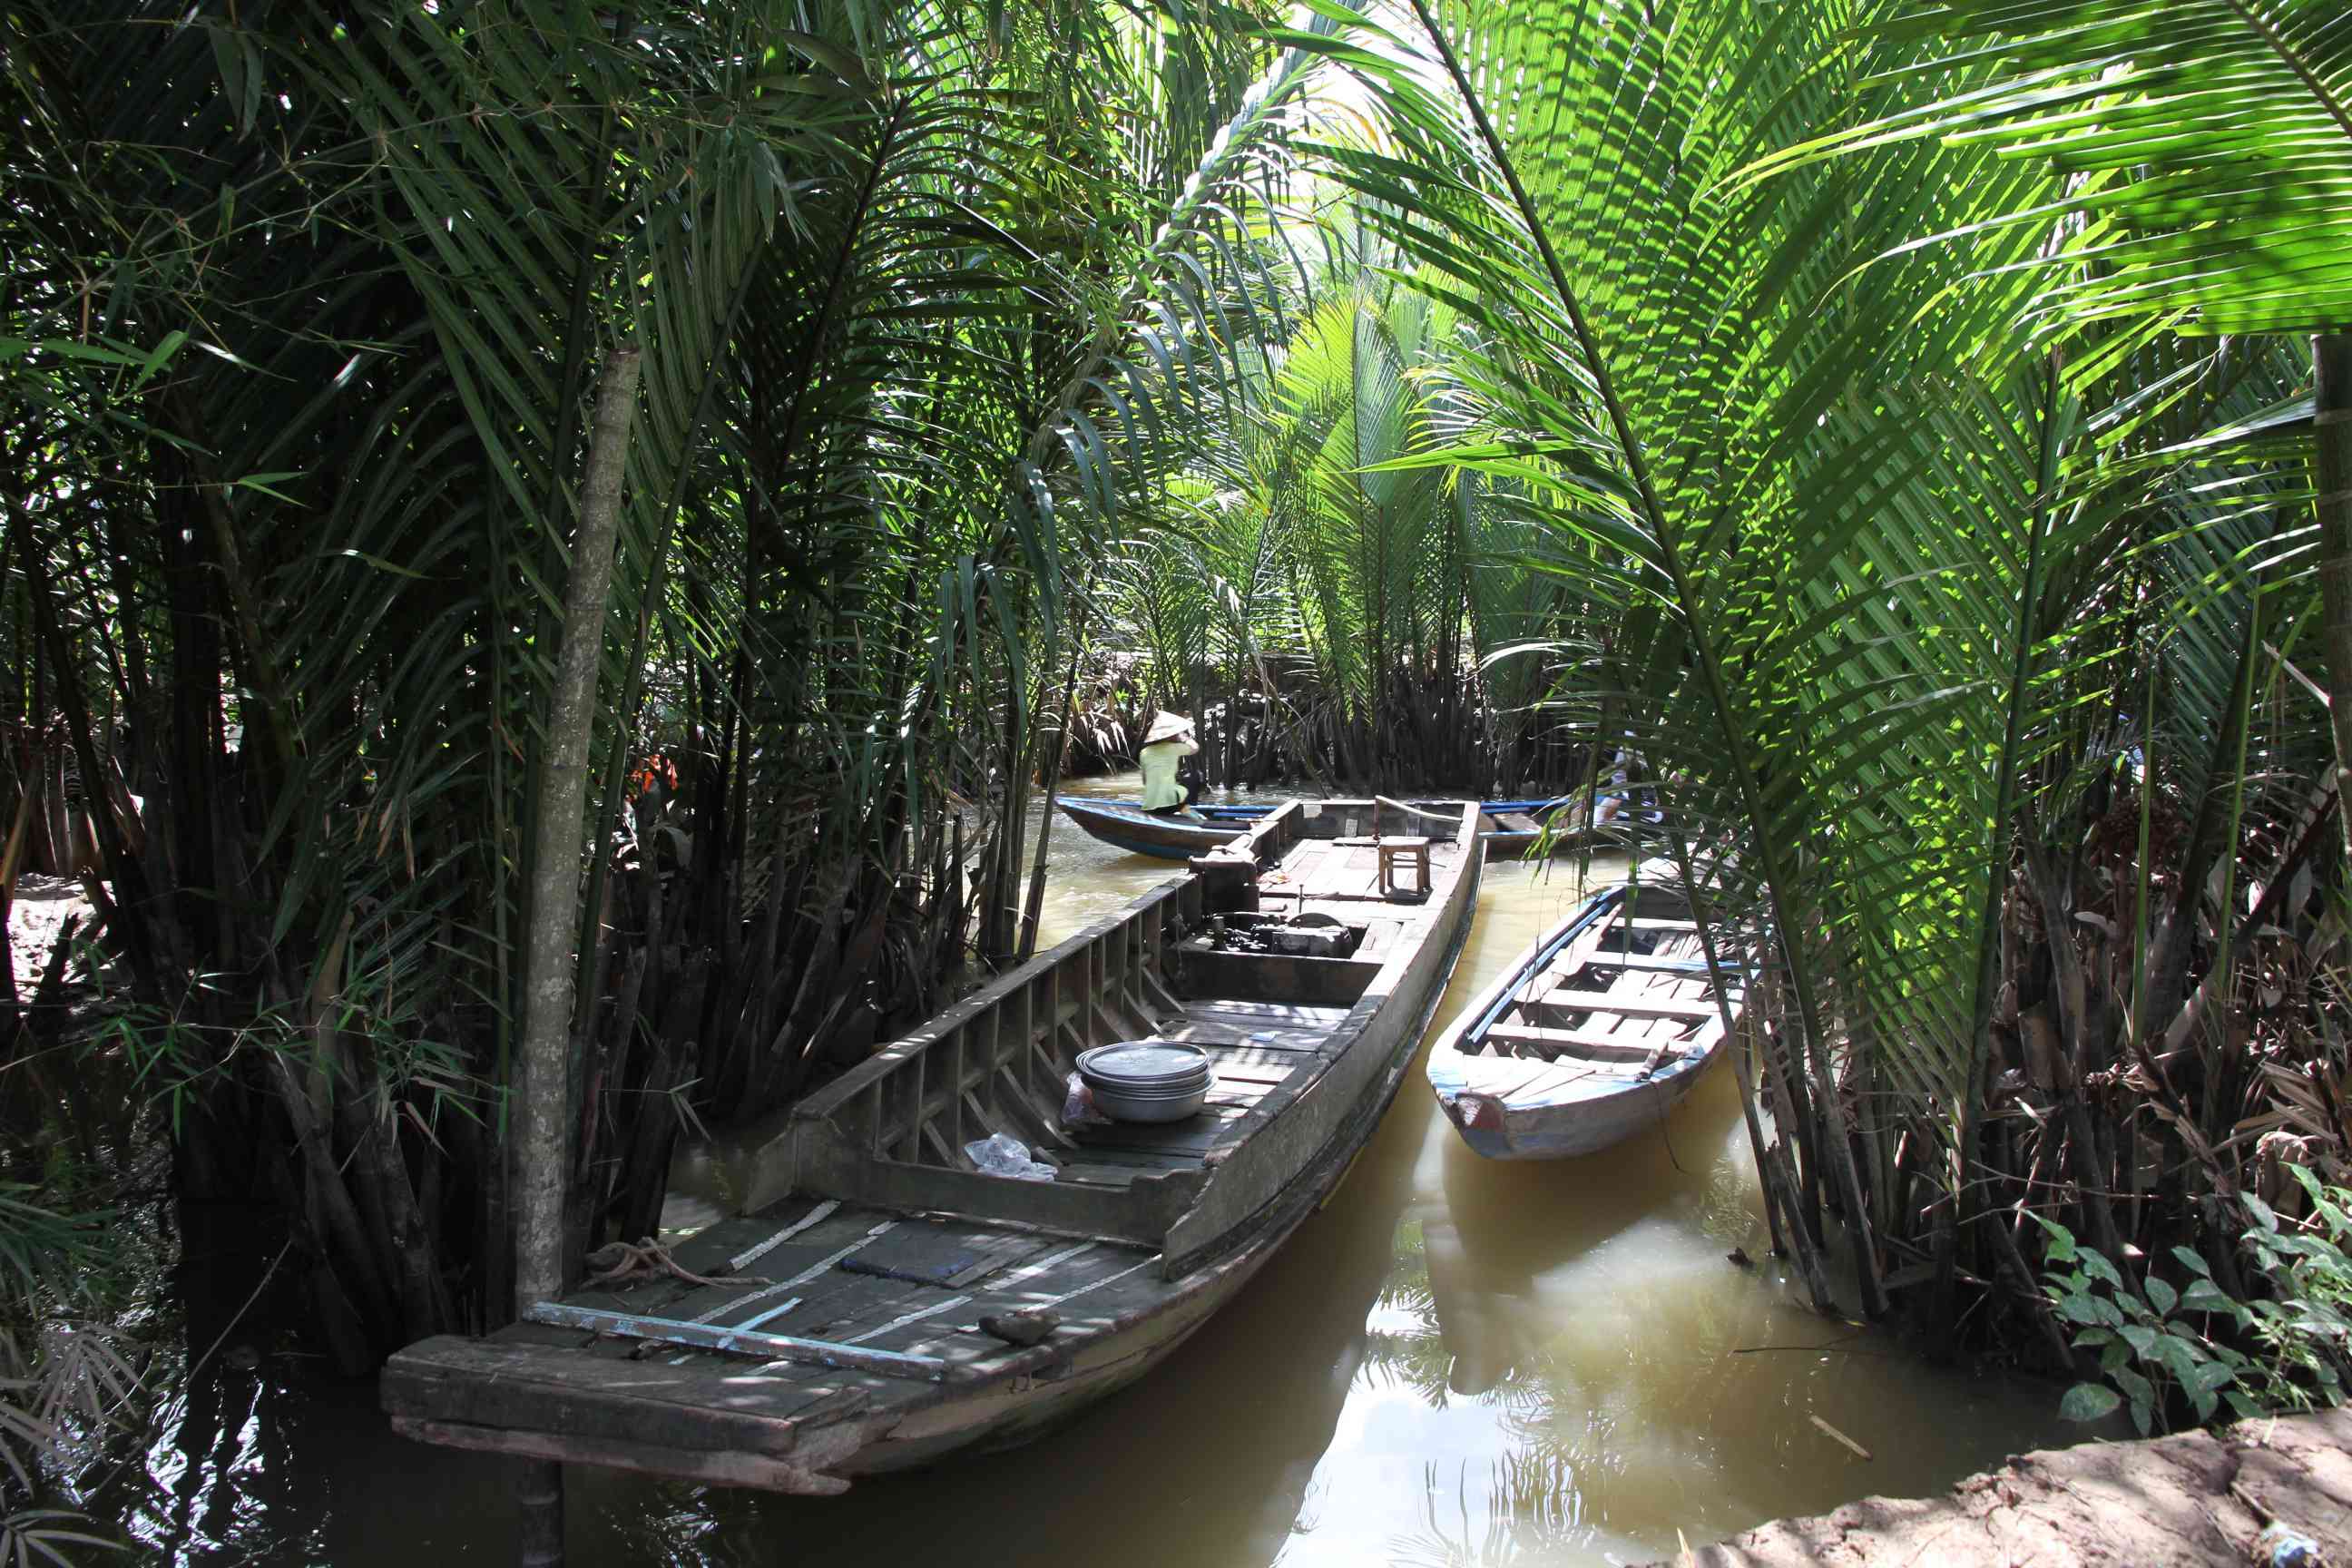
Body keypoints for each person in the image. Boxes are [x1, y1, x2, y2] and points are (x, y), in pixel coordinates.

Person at [1138, 711, 1200, 815]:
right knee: (1196, 775)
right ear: (1171, 735)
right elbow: (1195, 748)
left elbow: (1145, 782)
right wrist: (1184, 738)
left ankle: (1180, 805)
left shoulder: (1144, 752)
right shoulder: (1173, 748)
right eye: (1176, 733)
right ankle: (1185, 807)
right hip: (1169, 806)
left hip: (1148, 807)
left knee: (1178, 782)